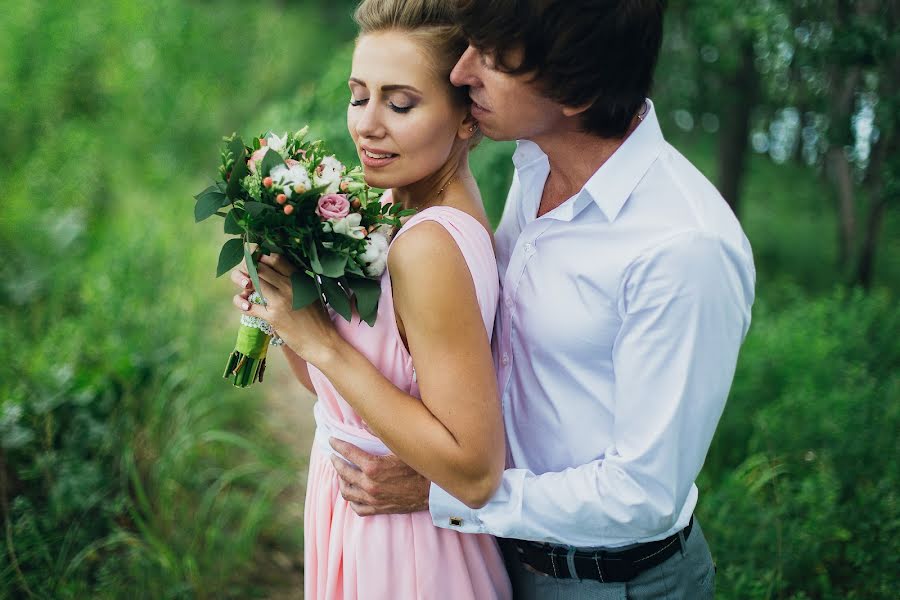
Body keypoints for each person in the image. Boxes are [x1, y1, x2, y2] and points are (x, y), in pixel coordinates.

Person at [327, 0, 757, 598]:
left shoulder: (683, 247)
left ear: (575, 90)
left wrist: (448, 493)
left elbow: (643, 495)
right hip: (499, 556)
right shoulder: (535, 165)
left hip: (610, 583)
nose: (461, 71)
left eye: (493, 59)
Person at [231, 0, 512, 598]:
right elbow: (349, 401)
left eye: (401, 102)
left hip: (410, 550)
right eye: (360, 95)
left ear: (467, 118)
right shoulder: (399, 218)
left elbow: (474, 468)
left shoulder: (430, 245)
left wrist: (325, 346)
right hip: (359, 513)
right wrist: (288, 312)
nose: (366, 124)